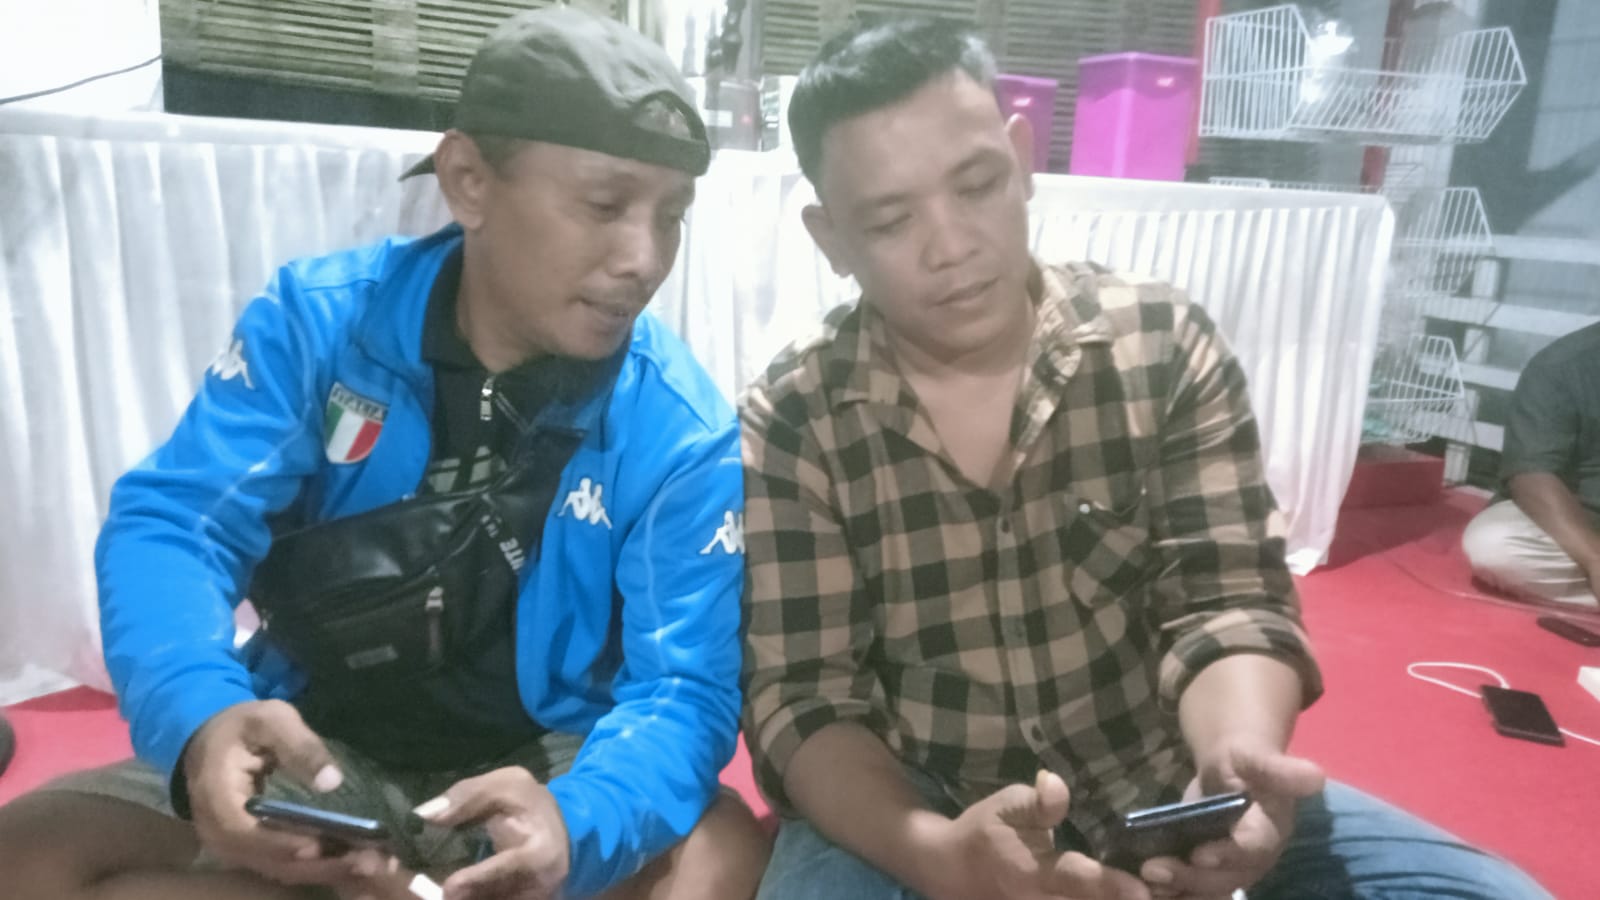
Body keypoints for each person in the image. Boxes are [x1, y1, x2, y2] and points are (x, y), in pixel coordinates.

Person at [738, 16, 1552, 900]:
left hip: (1157, 783)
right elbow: (806, 700)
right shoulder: (797, 419)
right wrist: (942, 856)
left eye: (976, 185)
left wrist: (1235, 761)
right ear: (831, 238)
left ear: (1021, 158)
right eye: (892, 220)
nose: (952, 245)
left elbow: (1227, 599)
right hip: (925, 804)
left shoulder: (1158, 345)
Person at [0, 8, 770, 900]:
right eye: (604, 205)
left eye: (671, 216)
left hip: (550, 772)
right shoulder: (319, 323)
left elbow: (682, 692)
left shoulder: (678, 424)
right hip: (319, 758)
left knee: (726, 858)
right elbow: (175, 526)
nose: (644, 258)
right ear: (468, 181)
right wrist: (203, 720)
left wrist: (577, 823)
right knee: (28, 854)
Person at [1462, 322, 1600, 609]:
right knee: (1494, 546)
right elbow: (1531, 475)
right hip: (1578, 523)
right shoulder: (1560, 366)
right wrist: (1593, 557)